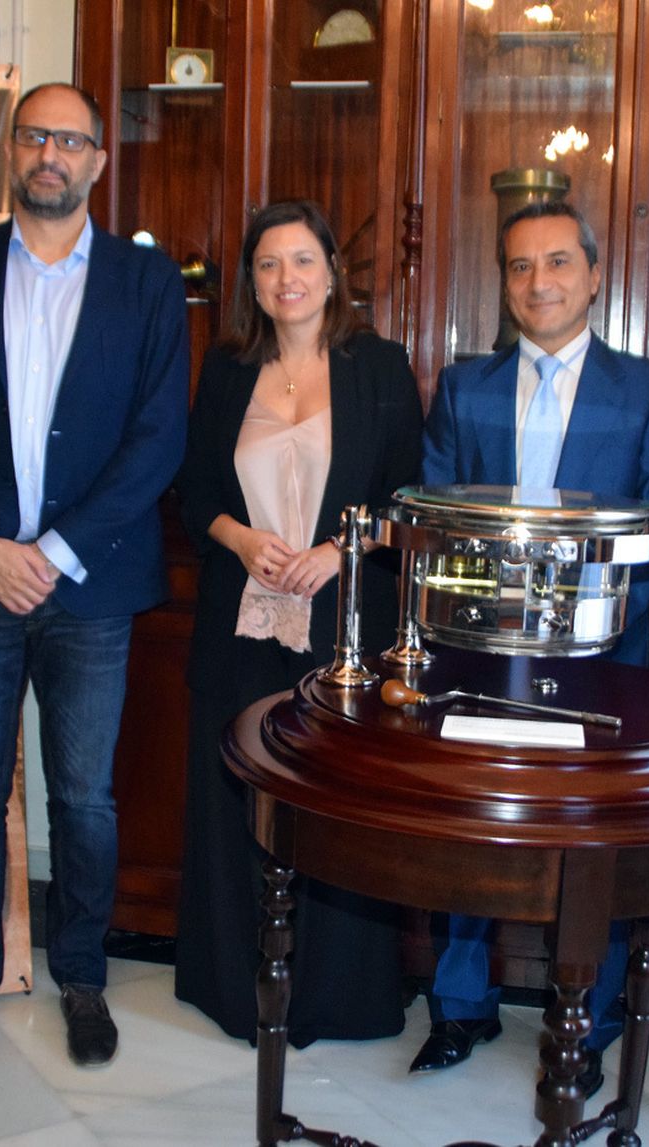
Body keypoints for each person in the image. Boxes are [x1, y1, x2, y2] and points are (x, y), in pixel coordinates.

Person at [0, 82, 189, 1079]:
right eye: (34, 136)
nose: (50, 153)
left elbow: (157, 440)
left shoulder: (146, 284)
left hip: (88, 589)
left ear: (101, 160)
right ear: (11, 153)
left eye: (70, 140)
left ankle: (85, 979)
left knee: (85, 799)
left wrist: (51, 554)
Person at [417, 199, 649, 1095]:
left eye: (559, 262)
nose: (540, 282)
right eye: (521, 266)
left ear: (595, 275)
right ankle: (459, 1006)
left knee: (595, 839)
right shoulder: (466, 386)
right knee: (468, 829)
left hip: (604, 661)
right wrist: (499, 626)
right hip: (480, 655)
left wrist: (581, 631)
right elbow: (442, 515)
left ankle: (596, 1016)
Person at [172, 199, 421, 1047]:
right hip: (240, 627)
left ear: (330, 272)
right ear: (253, 280)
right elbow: (194, 491)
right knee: (240, 800)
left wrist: (341, 550)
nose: (287, 279)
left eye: (303, 260)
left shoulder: (379, 365)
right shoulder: (229, 366)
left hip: (343, 631)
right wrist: (240, 539)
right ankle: (236, 989)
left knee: (332, 811)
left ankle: (332, 998)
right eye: (270, 264)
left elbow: (407, 495)